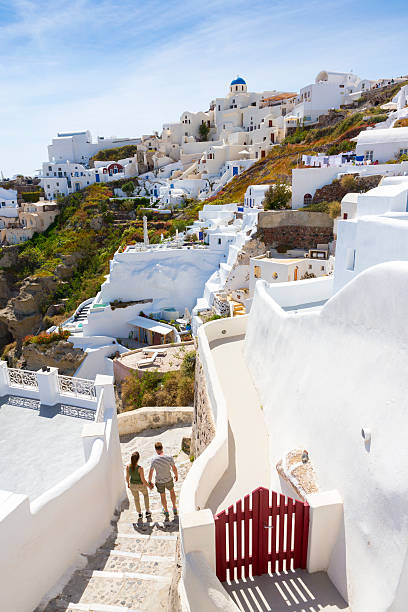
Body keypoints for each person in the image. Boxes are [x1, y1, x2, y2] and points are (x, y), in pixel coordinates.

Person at [148, 441, 178, 521]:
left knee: (163, 496)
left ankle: (166, 511)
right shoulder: (169, 457)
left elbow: (151, 471)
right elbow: (174, 468)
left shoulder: (154, 460)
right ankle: (174, 507)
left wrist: (149, 481)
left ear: (156, 450)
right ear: (162, 448)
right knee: (172, 491)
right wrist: (176, 475)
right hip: (168, 479)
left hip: (159, 481)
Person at [126, 451, 152, 521]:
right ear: (138, 459)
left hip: (132, 485)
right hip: (140, 485)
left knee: (136, 499)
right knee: (145, 495)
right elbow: (143, 480)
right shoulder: (140, 468)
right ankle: (147, 511)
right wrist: (149, 486)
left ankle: (140, 513)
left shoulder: (128, 467)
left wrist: (128, 483)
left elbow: (127, 477)